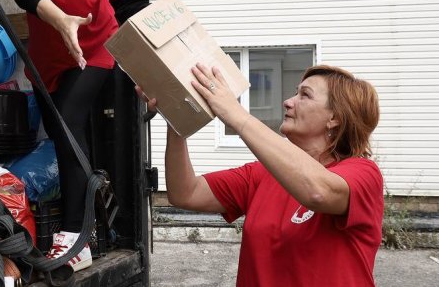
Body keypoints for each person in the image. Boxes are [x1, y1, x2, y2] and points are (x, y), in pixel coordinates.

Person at [0, 0, 150, 271]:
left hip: (95, 46)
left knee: (67, 125)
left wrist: (164, 46)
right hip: (48, 55)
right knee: (67, 137)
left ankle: (74, 238)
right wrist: (59, 18)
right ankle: (93, 222)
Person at [141, 64, 383, 286]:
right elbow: (185, 193)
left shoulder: (363, 173)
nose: (288, 102)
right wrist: (176, 119)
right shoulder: (261, 173)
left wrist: (235, 114)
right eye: (295, 93)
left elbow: (319, 192)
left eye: (305, 95)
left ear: (335, 118)